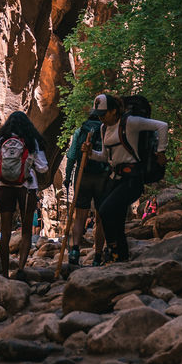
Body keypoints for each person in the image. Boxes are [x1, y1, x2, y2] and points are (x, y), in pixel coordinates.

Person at [90, 93, 168, 263]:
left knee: (106, 210)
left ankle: (113, 252)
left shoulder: (130, 122)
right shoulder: (104, 129)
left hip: (132, 179)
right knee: (115, 217)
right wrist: (90, 153)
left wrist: (161, 151)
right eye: (99, 115)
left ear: (114, 111)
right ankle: (121, 256)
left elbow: (162, 126)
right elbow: (105, 156)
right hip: (115, 177)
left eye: (104, 114)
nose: (101, 118)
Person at [0, 110, 49, 277]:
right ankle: (21, 269)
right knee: (26, 231)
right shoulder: (31, 141)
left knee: (5, 231)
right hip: (27, 188)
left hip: (4, 187)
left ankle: (3, 272)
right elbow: (43, 167)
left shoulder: (2, 140)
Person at [63, 103, 110, 266]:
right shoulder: (107, 131)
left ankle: (75, 250)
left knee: (80, 217)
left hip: (83, 176)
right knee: (100, 218)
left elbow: (72, 157)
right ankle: (97, 256)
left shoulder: (80, 131)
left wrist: (68, 177)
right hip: (102, 177)